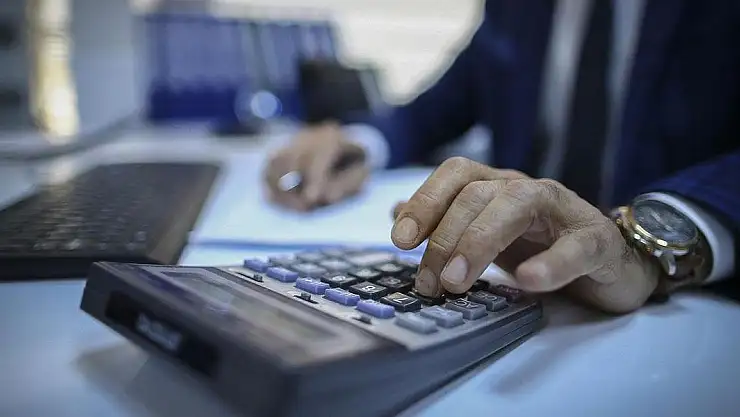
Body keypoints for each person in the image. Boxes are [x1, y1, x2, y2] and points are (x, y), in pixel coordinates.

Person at [263, 0, 739, 313]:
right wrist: (360, 143)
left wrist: (651, 240)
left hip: (679, 311)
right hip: (521, 285)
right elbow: (436, 108)